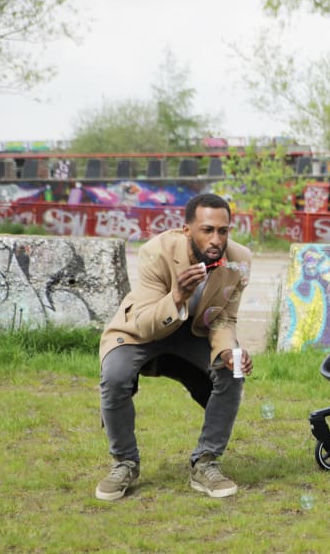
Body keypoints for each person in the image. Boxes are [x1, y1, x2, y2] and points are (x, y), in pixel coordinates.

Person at [94, 193, 253, 501]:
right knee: (114, 376)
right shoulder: (156, 251)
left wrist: (226, 352)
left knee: (231, 373)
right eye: (207, 229)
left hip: (194, 334)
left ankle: (206, 463)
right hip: (142, 330)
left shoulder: (239, 260)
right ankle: (124, 462)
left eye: (223, 230)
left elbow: (224, 319)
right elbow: (146, 323)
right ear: (187, 230)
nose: (216, 239)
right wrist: (177, 296)